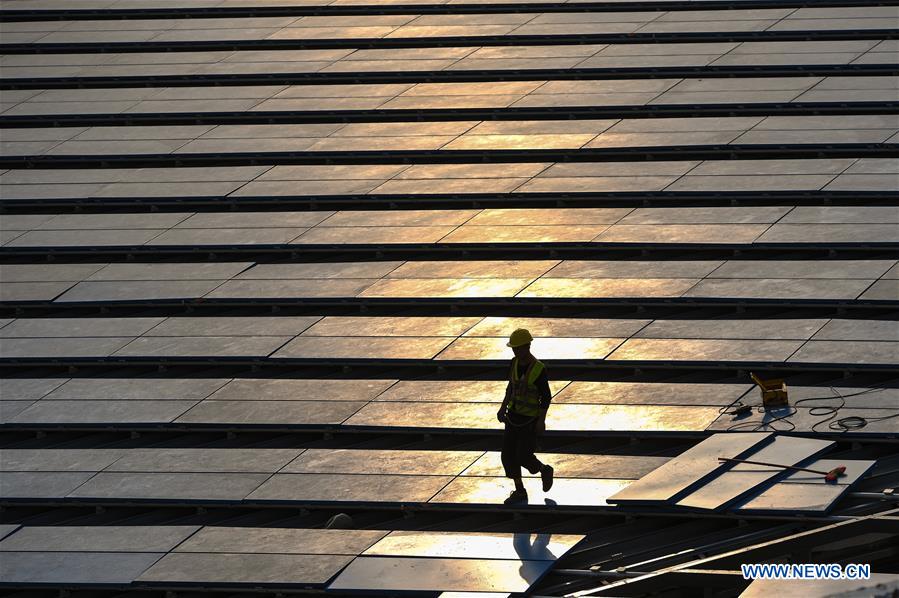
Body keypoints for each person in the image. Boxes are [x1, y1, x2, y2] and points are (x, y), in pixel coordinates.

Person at [496, 328, 554, 505]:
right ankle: (519, 490)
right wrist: (502, 408)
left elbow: (546, 397)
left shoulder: (538, 369)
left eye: (517, 348)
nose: (515, 351)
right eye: (513, 348)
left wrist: (541, 421)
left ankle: (544, 470)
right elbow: (511, 387)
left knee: (523, 456)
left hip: (529, 420)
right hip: (512, 417)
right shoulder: (513, 363)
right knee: (507, 455)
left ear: (526, 347)